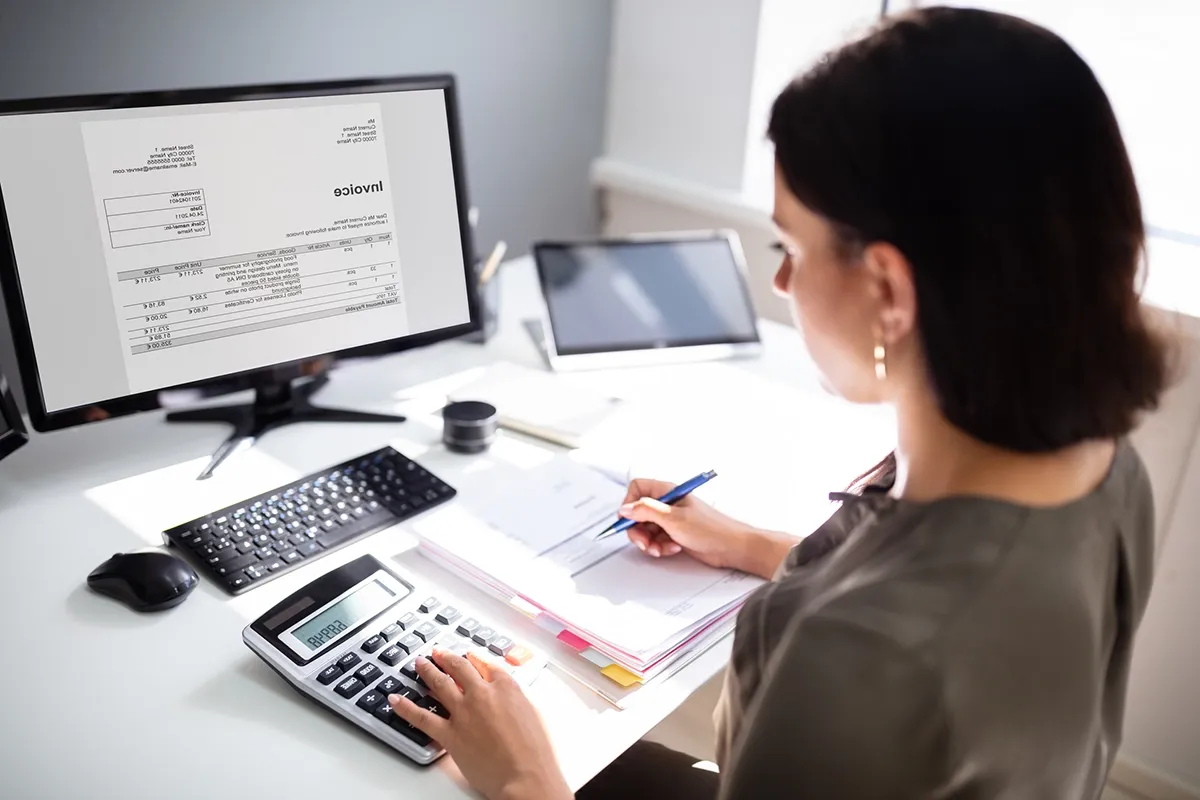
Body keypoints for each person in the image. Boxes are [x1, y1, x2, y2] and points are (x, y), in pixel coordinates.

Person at [386, 7, 1170, 798]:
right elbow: (934, 588)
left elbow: (893, 643)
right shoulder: (1104, 472)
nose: (783, 284)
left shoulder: (858, 666)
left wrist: (526, 782)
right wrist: (749, 543)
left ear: (890, 290)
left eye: (789, 249)